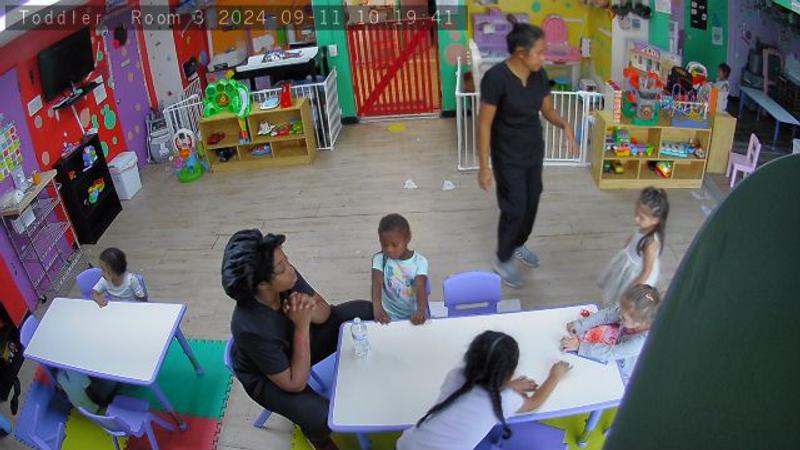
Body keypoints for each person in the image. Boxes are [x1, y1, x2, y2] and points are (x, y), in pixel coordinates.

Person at [223, 230, 373, 450]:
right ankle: (319, 441)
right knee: (320, 416)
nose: (291, 268)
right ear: (263, 285)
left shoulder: (286, 279)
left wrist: (308, 312)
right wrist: (301, 325)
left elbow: (325, 314)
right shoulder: (249, 327)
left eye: (286, 260)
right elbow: (295, 383)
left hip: (294, 340)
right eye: (282, 267)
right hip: (270, 377)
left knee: (364, 311)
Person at [477, 15, 578, 288]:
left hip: (533, 150)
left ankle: (518, 243)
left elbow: (547, 110)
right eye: (540, 52)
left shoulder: (539, 75)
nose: (543, 58)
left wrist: (564, 124)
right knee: (515, 207)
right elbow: (484, 123)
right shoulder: (496, 78)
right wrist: (484, 167)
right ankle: (503, 258)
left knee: (532, 201)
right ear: (521, 54)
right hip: (507, 154)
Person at [396, 331, 572, 450]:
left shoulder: (455, 375)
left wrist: (507, 385)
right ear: (509, 373)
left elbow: (477, 389)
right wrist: (554, 376)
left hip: (407, 444)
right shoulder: (506, 400)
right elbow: (534, 403)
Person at [560, 284, 661, 385]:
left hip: (625, 373)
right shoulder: (628, 313)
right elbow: (607, 314)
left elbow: (611, 353)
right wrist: (581, 325)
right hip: (615, 348)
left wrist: (579, 346)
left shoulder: (640, 342)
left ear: (641, 323)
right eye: (620, 309)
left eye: (623, 318)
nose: (619, 314)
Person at [598, 187, 669, 306]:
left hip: (636, 274)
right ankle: (610, 307)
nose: (636, 219)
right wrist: (630, 241)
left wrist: (632, 289)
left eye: (641, 218)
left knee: (622, 298)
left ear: (655, 220)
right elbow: (637, 234)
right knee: (615, 287)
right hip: (629, 261)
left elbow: (647, 271)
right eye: (636, 214)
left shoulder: (651, 243)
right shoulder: (644, 227)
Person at [371, 214, 429, 325]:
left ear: (408, 238)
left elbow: (420, 287)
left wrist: (421, 310)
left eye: (394, 245)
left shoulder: (420, 262)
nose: (389, 250)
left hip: (414, 314)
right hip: (389, 315)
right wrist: (377, 309)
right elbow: (376, 284)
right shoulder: (379, 259)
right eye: (384, 245)